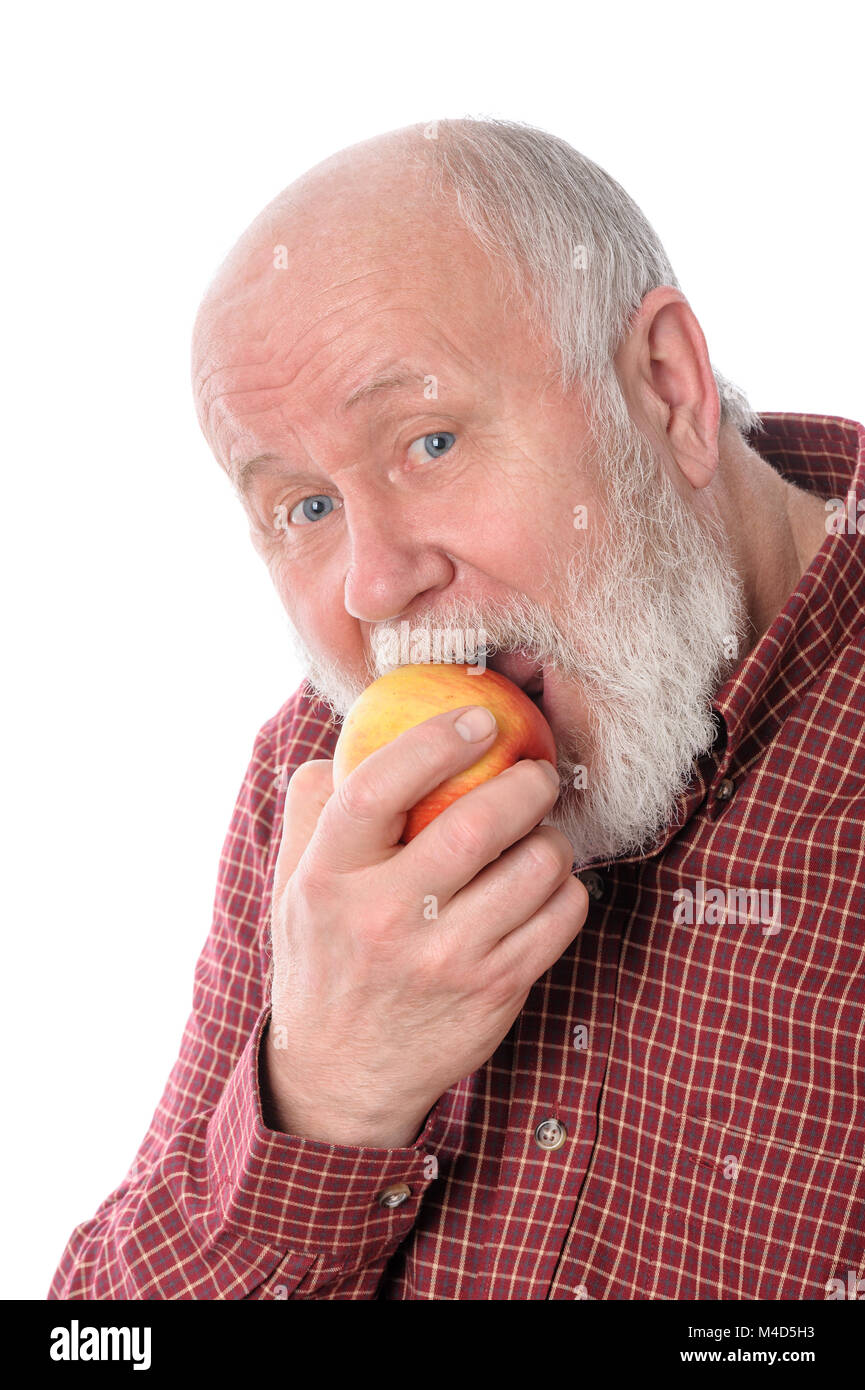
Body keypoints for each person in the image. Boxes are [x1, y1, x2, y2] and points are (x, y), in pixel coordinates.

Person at [49, 118, 865, 1300]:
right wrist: (324, 1097)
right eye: (306, 508)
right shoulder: (325, 786)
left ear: (668, 391)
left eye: (428, 440)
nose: (375, 586)